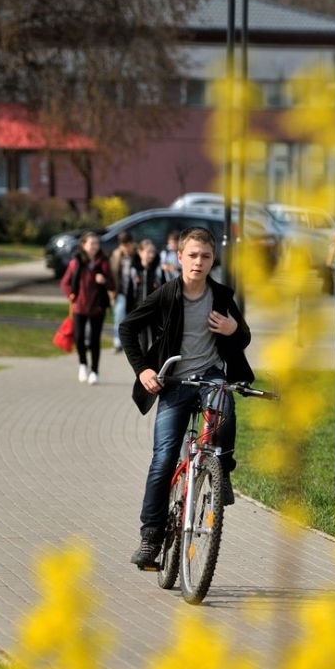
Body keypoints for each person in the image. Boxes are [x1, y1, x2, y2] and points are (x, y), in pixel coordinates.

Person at [119, 226, 253, 568]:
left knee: (224, 403)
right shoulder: (166, 294)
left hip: (210, 376)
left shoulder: (221, 296)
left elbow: (243, 336)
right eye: (192, 255)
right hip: (175, 381)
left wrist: (233, 329)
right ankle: (150, 538)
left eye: (205, 256)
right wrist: (143, 370)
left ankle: (221, 470)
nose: (198, 262)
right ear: (179, 257)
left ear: (212, 260)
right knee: (163, 458)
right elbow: (127, 328)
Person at [60, 231, 115, 385]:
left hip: (98, 306)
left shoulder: (104, 262)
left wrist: (104, 281)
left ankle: (95, 371)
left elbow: (112, 284)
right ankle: (83, 364)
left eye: (96, 243)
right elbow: (65, 282)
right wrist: (72, 296)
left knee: (94, 340)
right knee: (79, 338)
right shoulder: (76, 262)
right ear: (83, 245)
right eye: (91, 243)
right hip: (80, 306)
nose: (94, 246)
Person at [109, 230, 136, 354]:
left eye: (128, 245)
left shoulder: (137, 254)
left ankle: (132, 343)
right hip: (120, 291)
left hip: (134, 291)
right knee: (119, 316)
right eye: (123, 245)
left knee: (133, 318)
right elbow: (112, 273)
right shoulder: (116, 255)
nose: (126, 248)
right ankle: (117, 342)